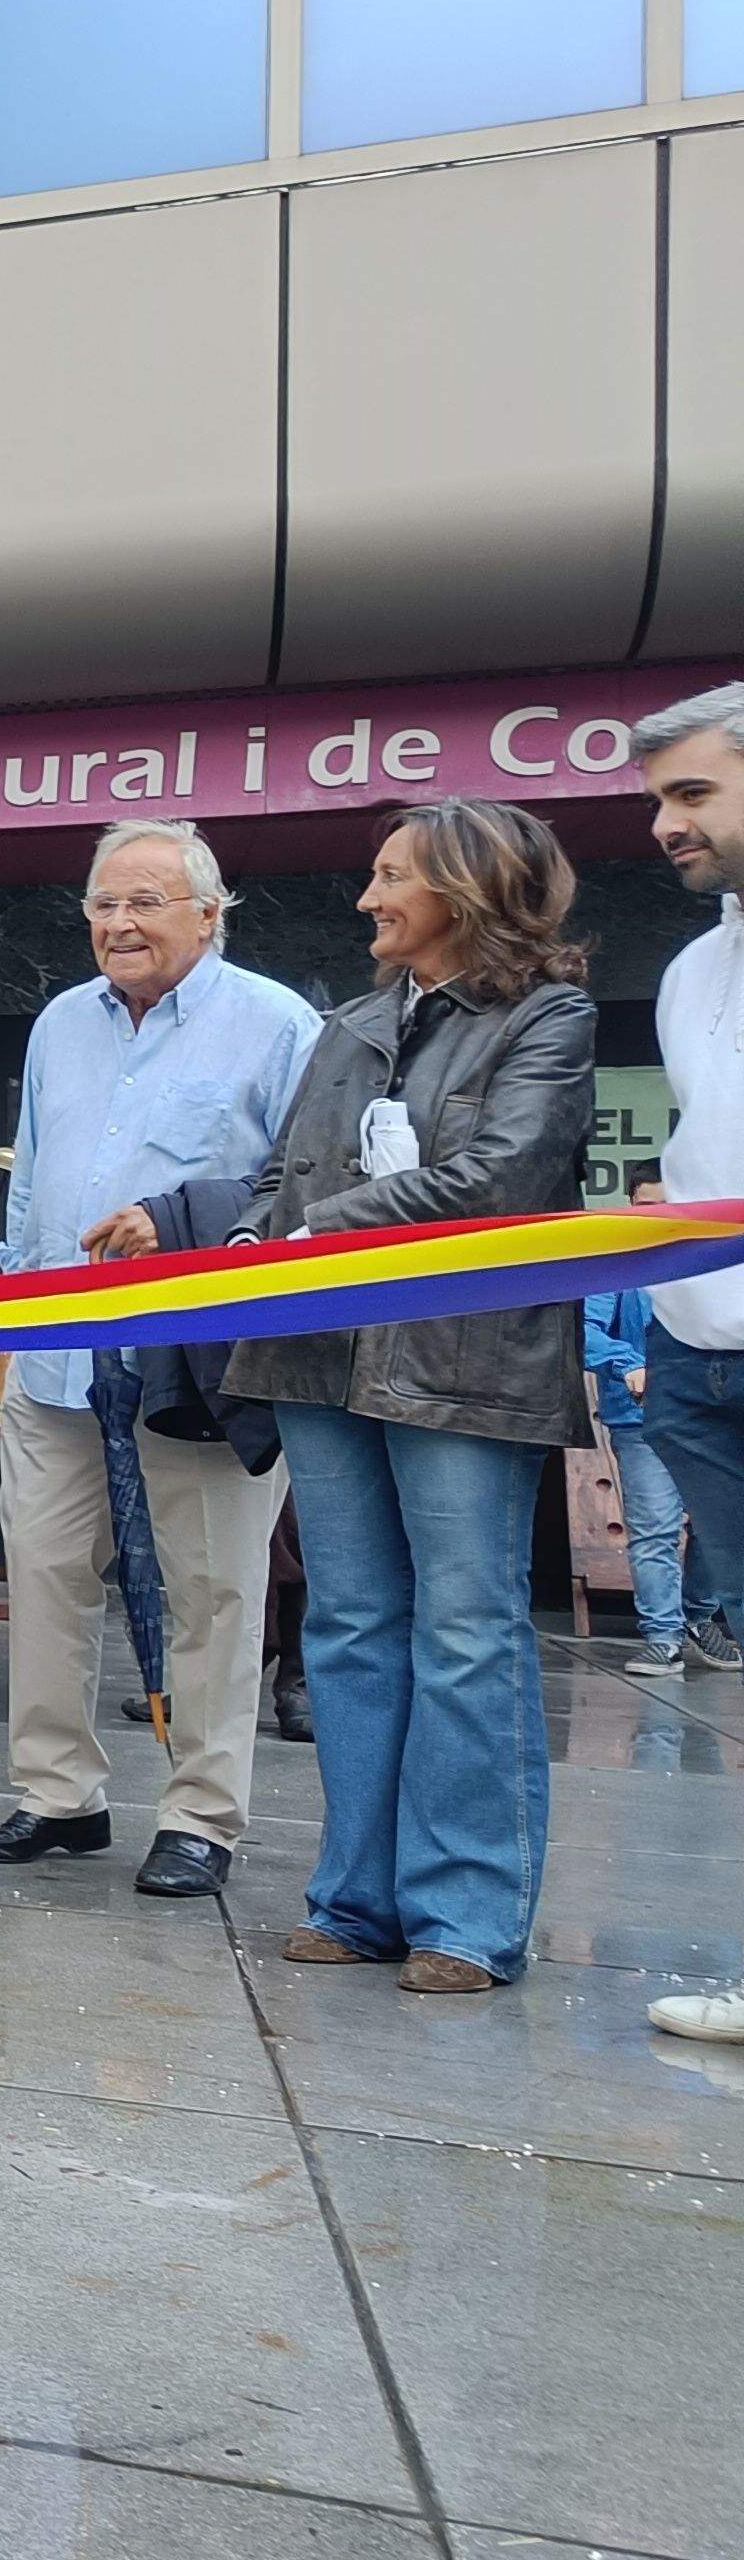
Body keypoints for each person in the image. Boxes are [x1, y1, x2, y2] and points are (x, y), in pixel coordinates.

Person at [231, 800, 594, 1995]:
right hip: (319, 1358)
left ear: (466, 887)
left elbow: (500, 1179)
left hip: (464, 1363)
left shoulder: (549, 1017)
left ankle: (466, 1919)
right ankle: (356, 1897)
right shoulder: (346, 1027)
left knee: (464, 1629)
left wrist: (307, 1233)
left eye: (391, 878)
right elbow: (283, 1170)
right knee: (346, 1622)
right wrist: (248, 1233)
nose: (366, 899)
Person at [0, 825, 321, 1893]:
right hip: (58, 1359)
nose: (118, 923)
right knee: (48, 1574)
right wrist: (15, 1326)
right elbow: (27, 1188)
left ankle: (202, 1817)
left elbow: (301, 1191)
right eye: (103, 904)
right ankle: (56, 1797)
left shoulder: (276, 1024)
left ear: (209, 913)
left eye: (146, 901)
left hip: (194, 1364)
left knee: (209, 1590)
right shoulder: (63, 1022)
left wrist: (184, 1225)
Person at [613, 684, 744, 2043]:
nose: (665, 825)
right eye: (659, 799)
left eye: (694, 795)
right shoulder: (699, 968)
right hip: (700, 1354)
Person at [586, 1286, 735, 1674]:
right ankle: (663, 1636)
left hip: (714, 1411)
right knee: (654, 1527)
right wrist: (627, 1364)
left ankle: (698, 1617)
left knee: (720, 1524)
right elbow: (581, 1329)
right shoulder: (625, 1263)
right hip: (640, 1415)